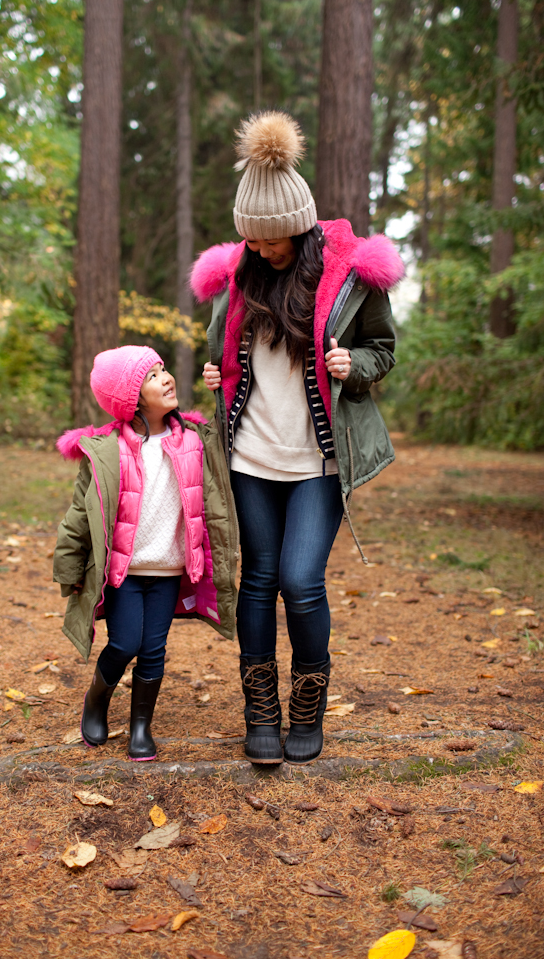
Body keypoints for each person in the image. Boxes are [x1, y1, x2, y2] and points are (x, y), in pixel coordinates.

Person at [191, 110, 404, 767]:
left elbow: (384, 349)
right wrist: (215, 371)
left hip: (318, 461)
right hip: (252, 456)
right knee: (257, 581)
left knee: (300, 581)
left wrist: (355, 367)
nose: (259, 250)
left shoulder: (350, 278)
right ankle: (261, 708)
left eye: (270, 240)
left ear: (297, 227)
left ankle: (309, 699)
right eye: (249, 241)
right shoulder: (239, 277)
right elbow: (225, 354)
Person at [53, 345, 238, 761]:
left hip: (169, 569)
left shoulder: (195, 442)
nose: (167, 377)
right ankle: (97, 700)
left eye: (164, 369)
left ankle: (141, 726)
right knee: (123, 644)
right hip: (124, 570)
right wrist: (69, 568)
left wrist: (223, 384)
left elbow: (231, 424)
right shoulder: (107, 452)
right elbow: (78, 515)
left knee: (153, 648)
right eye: (153, 376)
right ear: (131, 399)